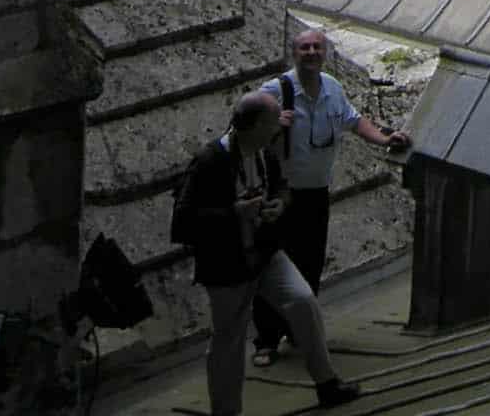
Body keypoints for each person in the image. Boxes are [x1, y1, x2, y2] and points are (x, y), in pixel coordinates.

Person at [172, 90, 361, 414]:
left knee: (303, 301)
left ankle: (326, 383)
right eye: (274, 121)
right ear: (256, 124)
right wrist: (234, 213)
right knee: (228, 342)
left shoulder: (263, 153)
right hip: (227, 266)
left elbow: (282, 187)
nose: (280, 127)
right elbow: (182, 223)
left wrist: (279, 204)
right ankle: (226, 411)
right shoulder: (210, 161)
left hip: (265, 254)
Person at [251, 26, 410, 368]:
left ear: (325, 53)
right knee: (274, 268)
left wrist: (384, 139)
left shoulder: (333, 89)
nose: (310, 53)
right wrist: (274, 124)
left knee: (309, 265)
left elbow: (354, 122)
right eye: (304, 47)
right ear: (294, 53)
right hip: (281, 198)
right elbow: (244, 132)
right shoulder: (275, 91)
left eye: (316, 47)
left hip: (316, 195)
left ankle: (298, 330)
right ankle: (265, 339)